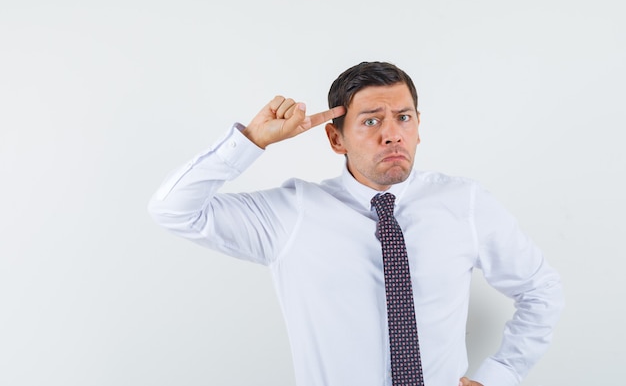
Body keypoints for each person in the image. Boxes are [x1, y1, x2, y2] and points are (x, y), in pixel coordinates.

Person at [148, 61, 564, 386]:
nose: (392, 134)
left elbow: (540, 288)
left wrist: (502, 374)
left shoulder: (464, 203)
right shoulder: (292, 213)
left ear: (419, 127)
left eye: (404, 118)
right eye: (370, 121)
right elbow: (173, 210)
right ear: (335, 139)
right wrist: (252, 141)